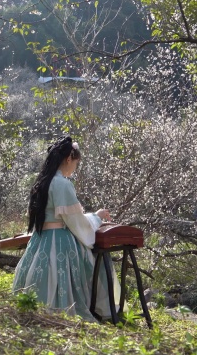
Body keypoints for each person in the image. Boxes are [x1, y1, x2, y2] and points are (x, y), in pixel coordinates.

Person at [12, 136, 122, 321]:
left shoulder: (42, 183)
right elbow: (76, 222)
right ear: (69, 158)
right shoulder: (62, 184)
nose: (74, 169)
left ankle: (33, 309)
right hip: (60, 240)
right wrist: (97, 217)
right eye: (76, 164)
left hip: (41, 240)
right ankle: (98, 311)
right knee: (96, 261)